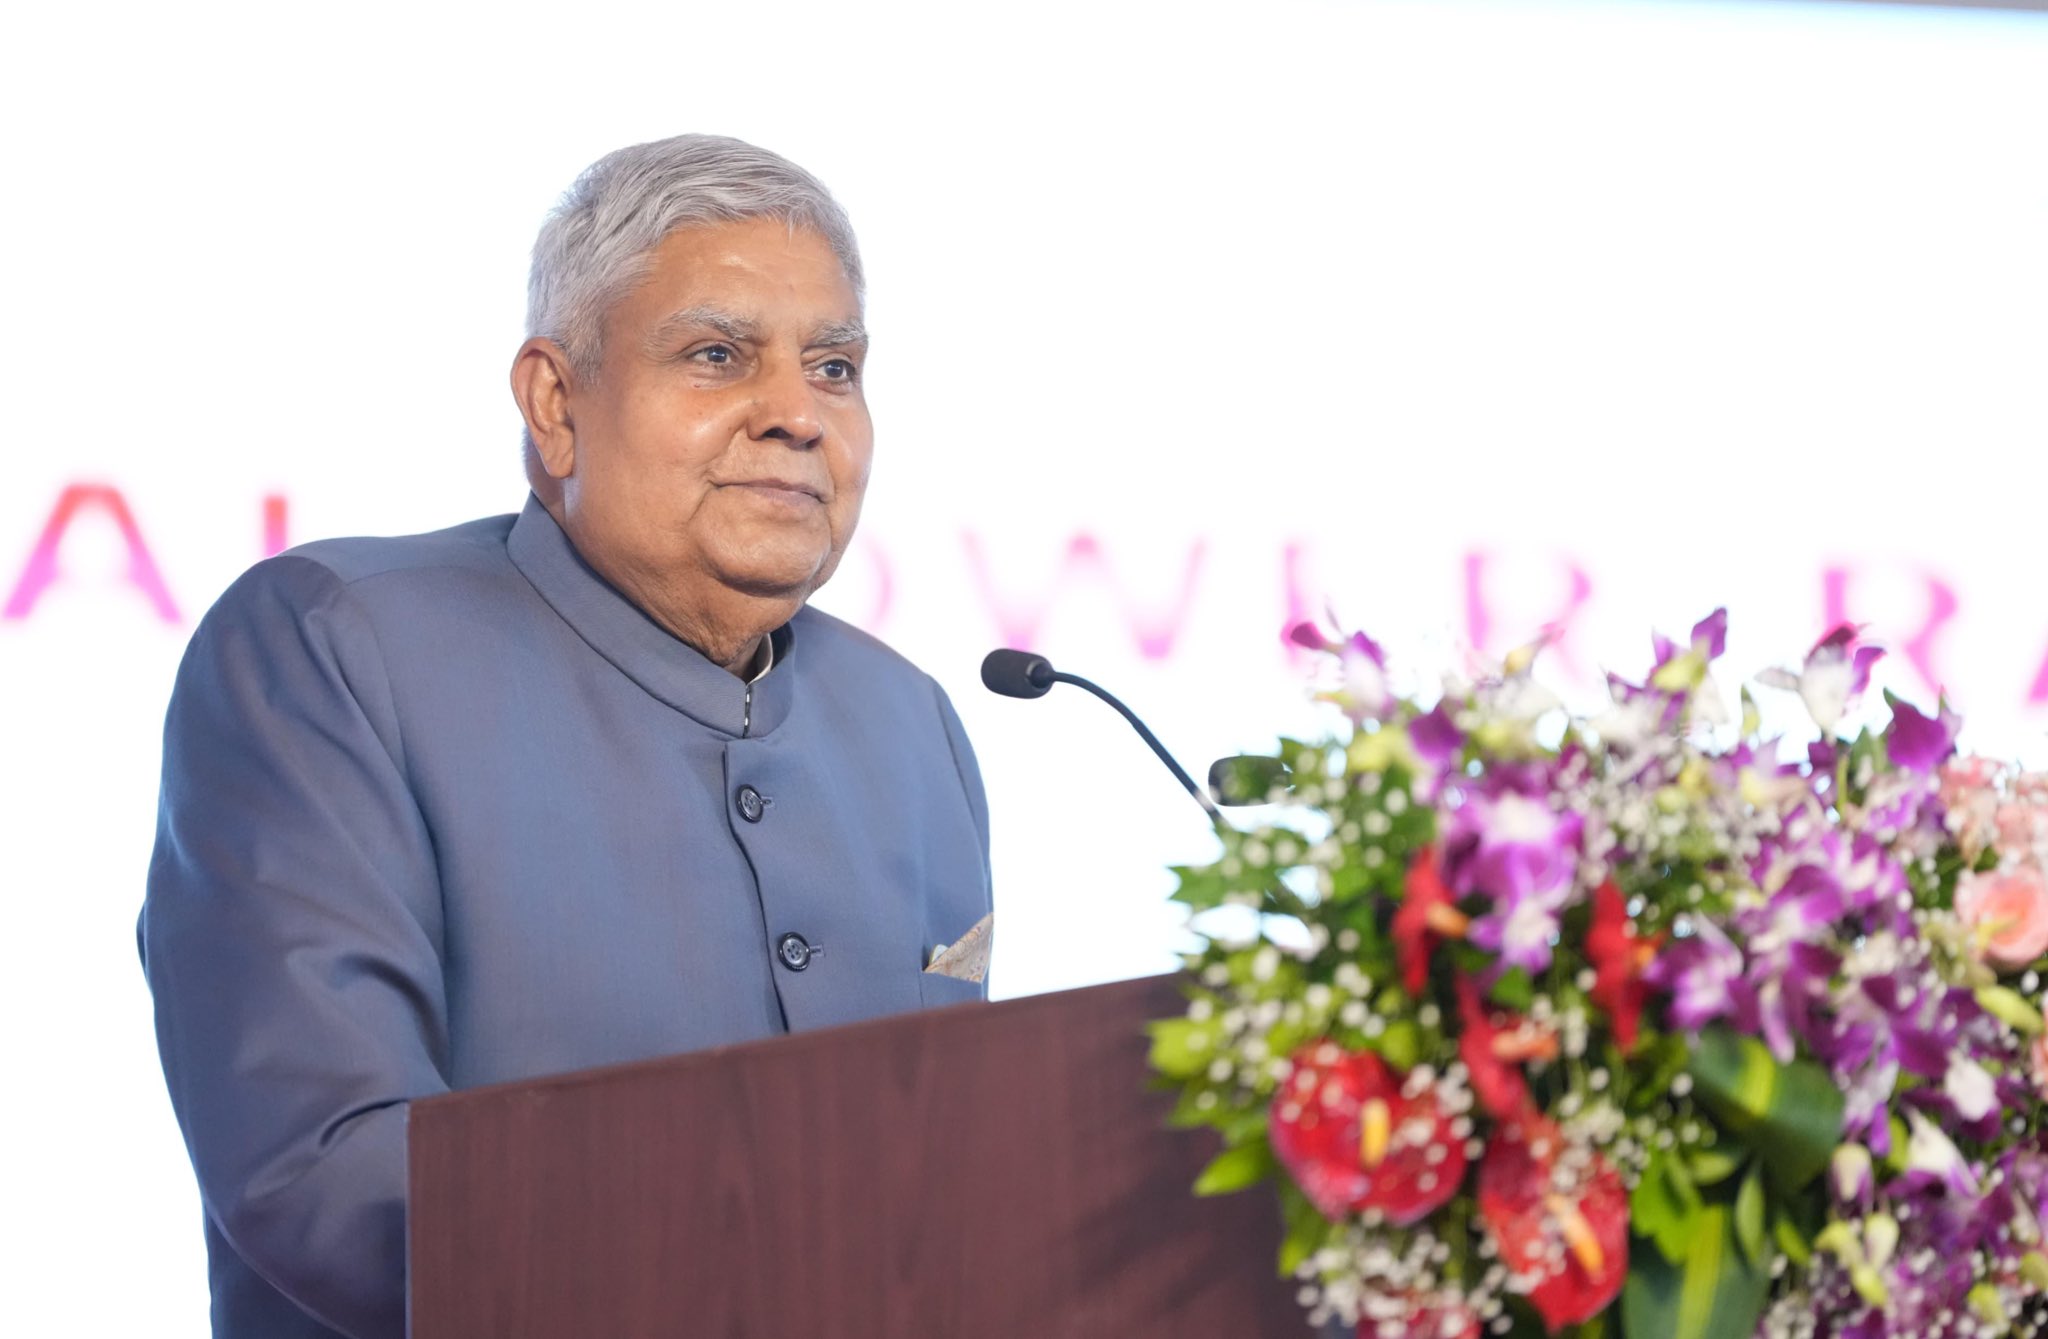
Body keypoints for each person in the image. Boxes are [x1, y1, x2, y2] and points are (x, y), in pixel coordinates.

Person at [139, 134, 993, 1339]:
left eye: (836, 366)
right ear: (555, 401)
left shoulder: (914, 729)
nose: (797, 415)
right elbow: (326, 1173)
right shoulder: (334, 647)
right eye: (716, 355)